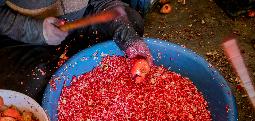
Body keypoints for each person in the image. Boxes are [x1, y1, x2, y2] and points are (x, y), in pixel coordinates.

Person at [0, 0, 153, 102]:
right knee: (33, 86)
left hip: (80, 23)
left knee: (131, 22)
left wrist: (128, 38)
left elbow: (104, 2)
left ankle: (80, 64)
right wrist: (37, 31)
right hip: (24, 38)